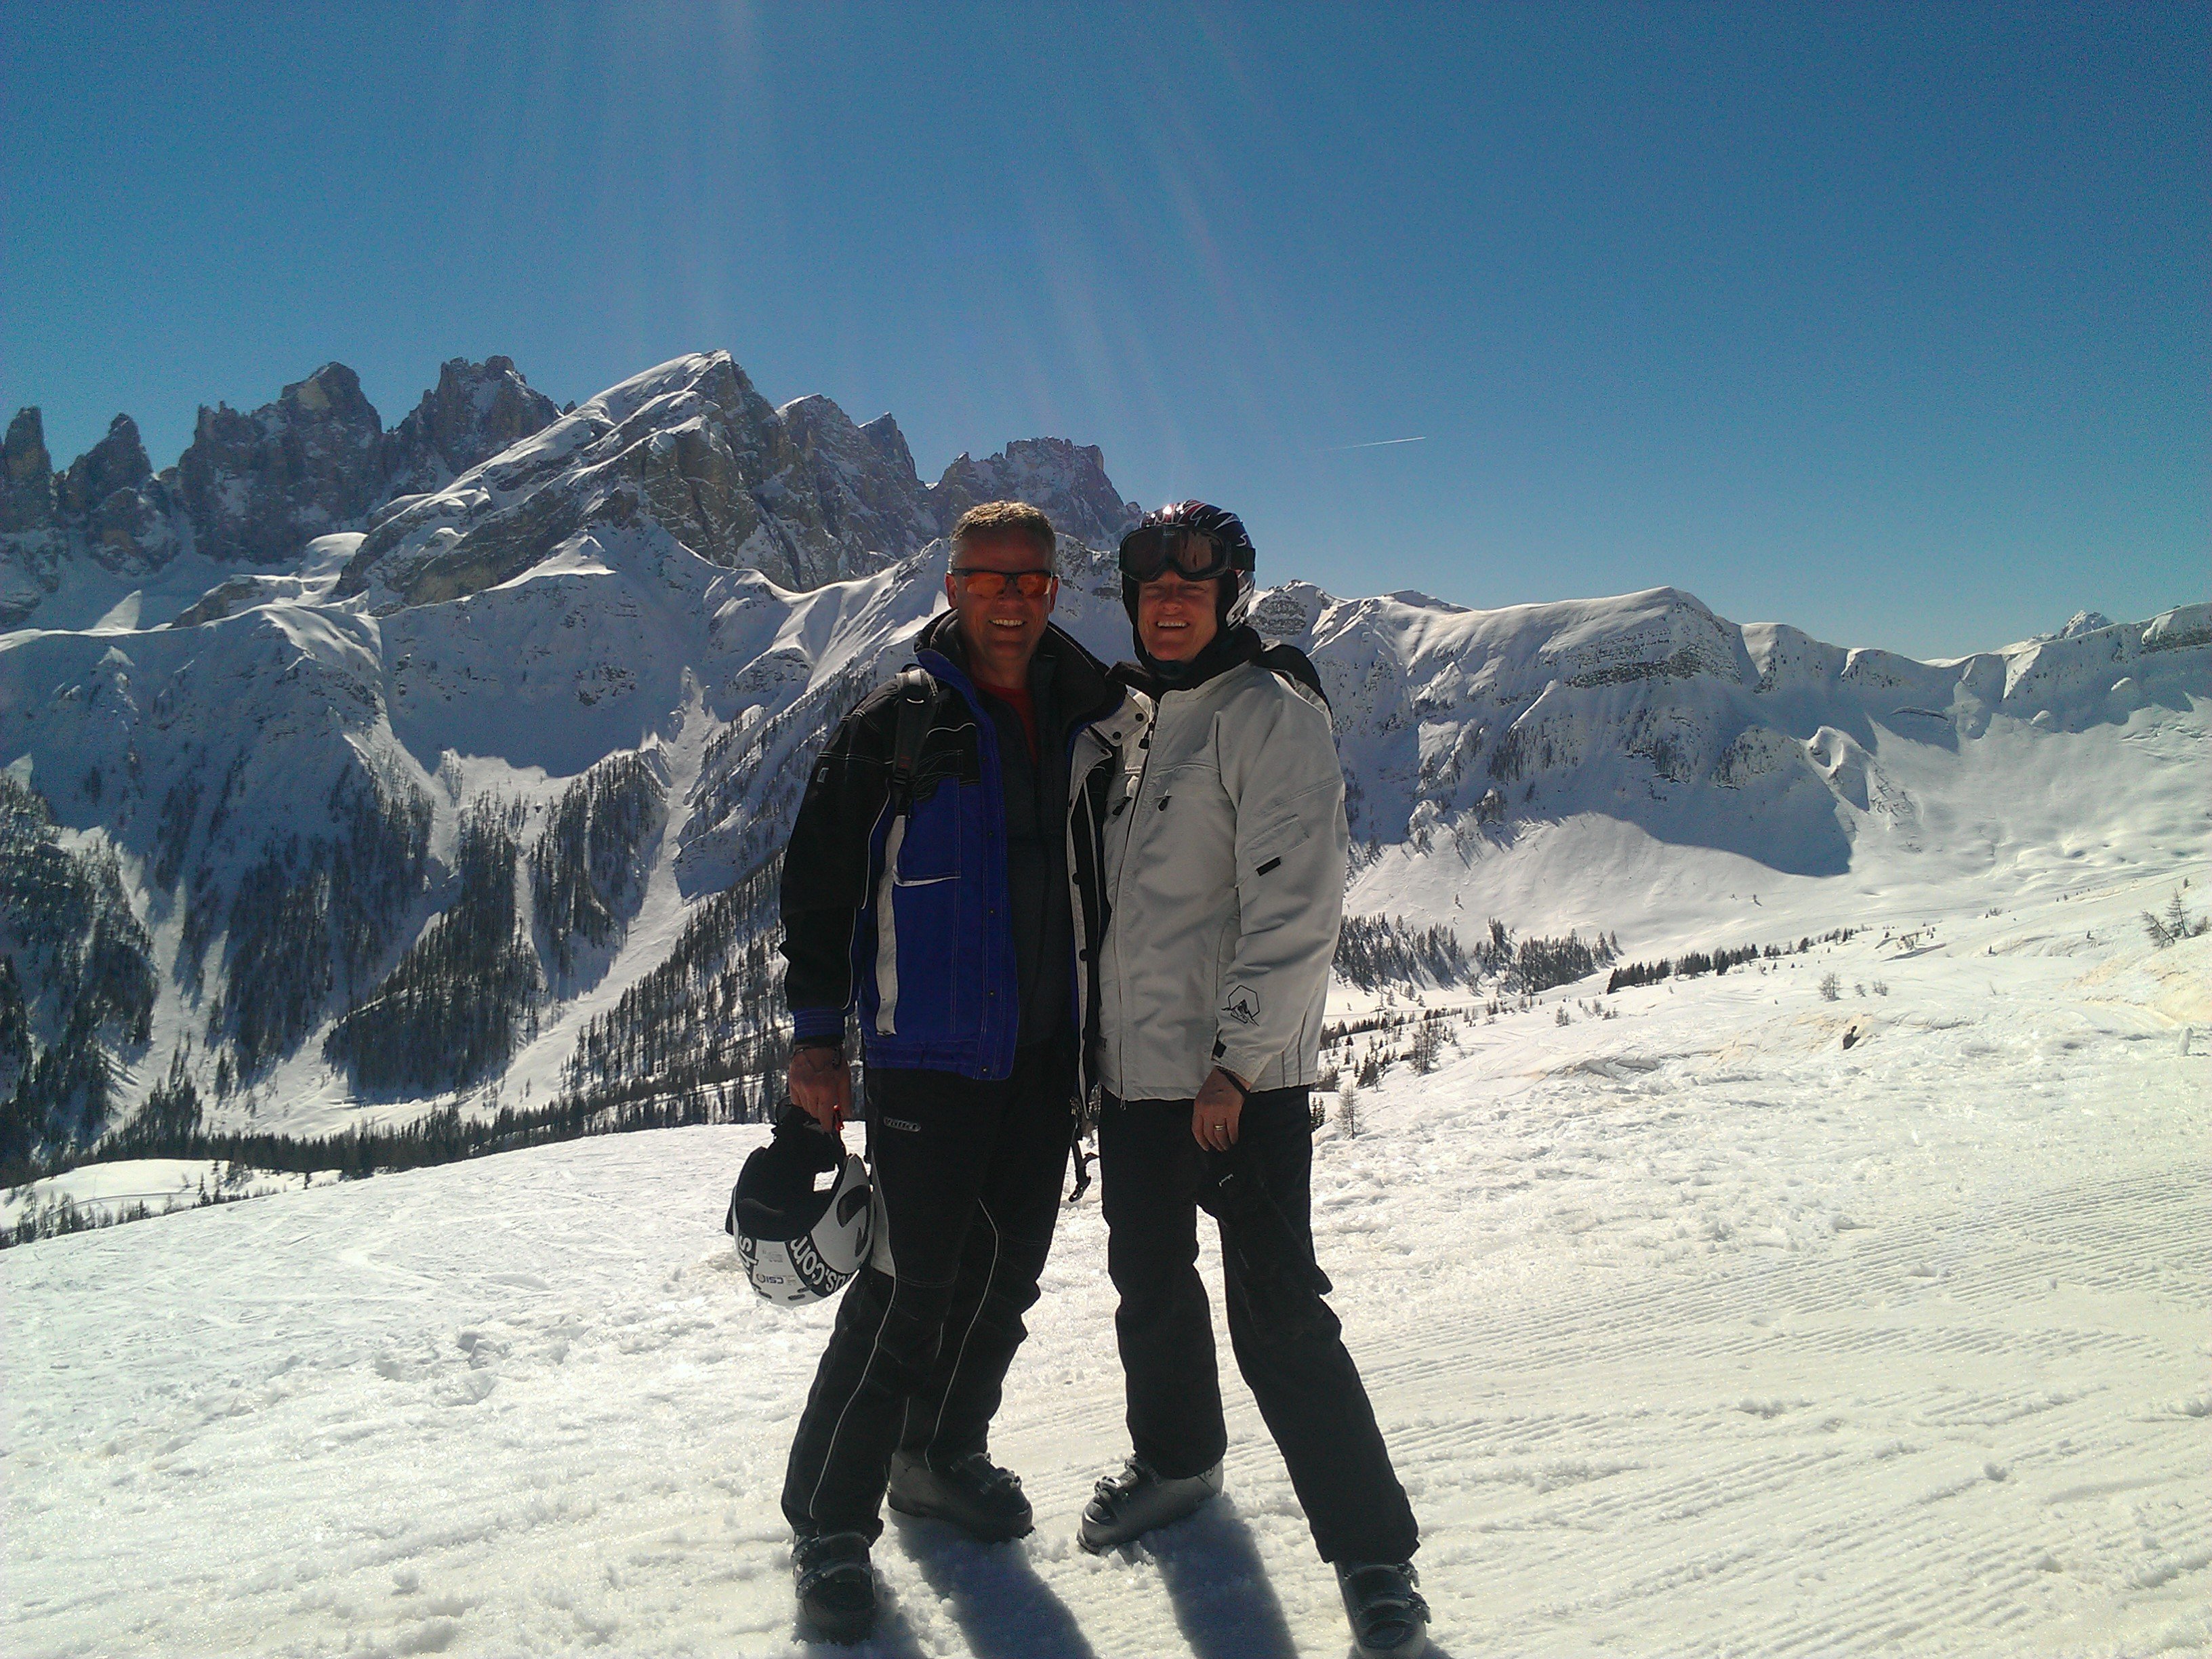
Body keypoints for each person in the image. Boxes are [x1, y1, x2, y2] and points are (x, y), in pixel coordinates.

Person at [775, 499, 1142, 1643]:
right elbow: (820, 879)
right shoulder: (900, 719)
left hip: (1044, 1057)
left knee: (1005, 1279)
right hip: (928, 1057)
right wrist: (817, 1033)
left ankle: (938, 1455)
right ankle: (829, 1525)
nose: (1011, 600)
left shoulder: (1092, 714)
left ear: (1054, 590)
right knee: (903, 1292)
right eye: (989, 578)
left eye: (1031, 580)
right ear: (951, 588)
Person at [1079, 502, 1429, 1659]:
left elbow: (1297, 907)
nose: (1171, 605)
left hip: (1241, 1087)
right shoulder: (1138, 719)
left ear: (1231, 596)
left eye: (1195, 588)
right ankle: (1179, 1462)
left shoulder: (1267, 713)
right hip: (1136, 1077)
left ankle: (1374, 1558)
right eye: (1153, 589)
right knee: (1150, 1284)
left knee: (1277, 1318)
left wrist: (1234, 1062)